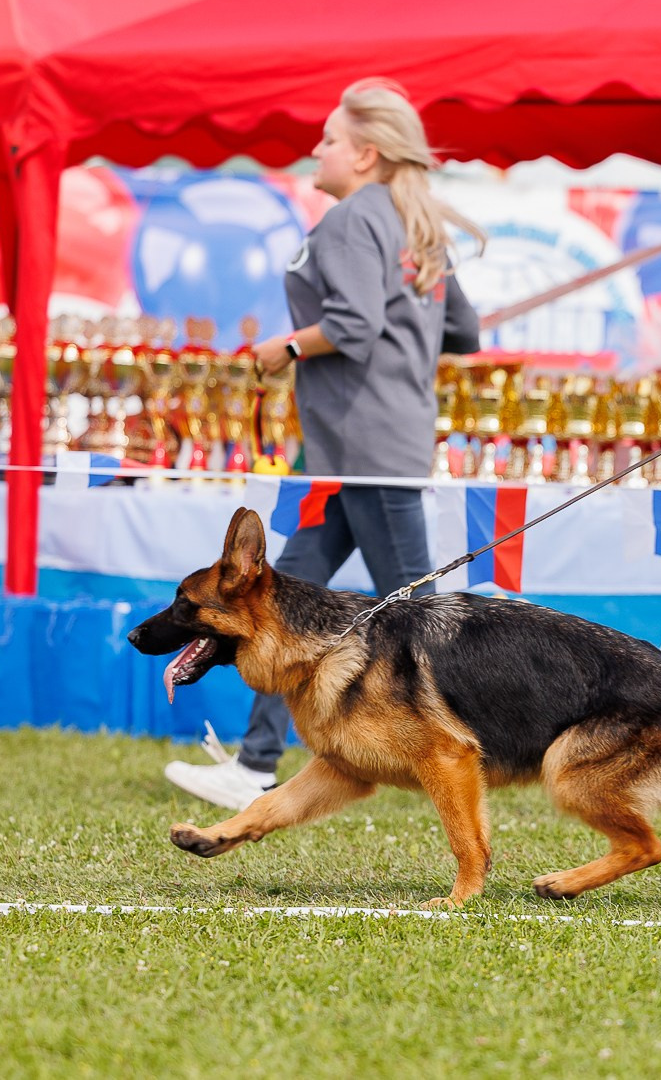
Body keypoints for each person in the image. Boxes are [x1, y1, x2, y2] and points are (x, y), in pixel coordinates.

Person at [165, 77, 485, 811]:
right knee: (273, 603)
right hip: (368, 444)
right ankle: (253, 761)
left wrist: (285, 347)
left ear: (366, 154)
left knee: (420, 615)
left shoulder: (349, 223)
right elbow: (462, 332)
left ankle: (463, 742)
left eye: (331, 138)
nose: (318, 147)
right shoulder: (416, 223)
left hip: (363, 446)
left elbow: (354, 324)